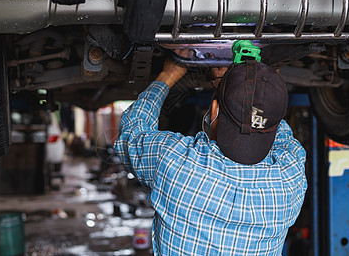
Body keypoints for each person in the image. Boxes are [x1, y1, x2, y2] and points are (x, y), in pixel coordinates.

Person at [114, 47, 307, 255]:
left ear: (214, 109)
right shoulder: (290, 178)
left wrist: (169, 75)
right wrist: (264, 89)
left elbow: (131, 132)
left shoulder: (176, 163)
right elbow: (276, 128)